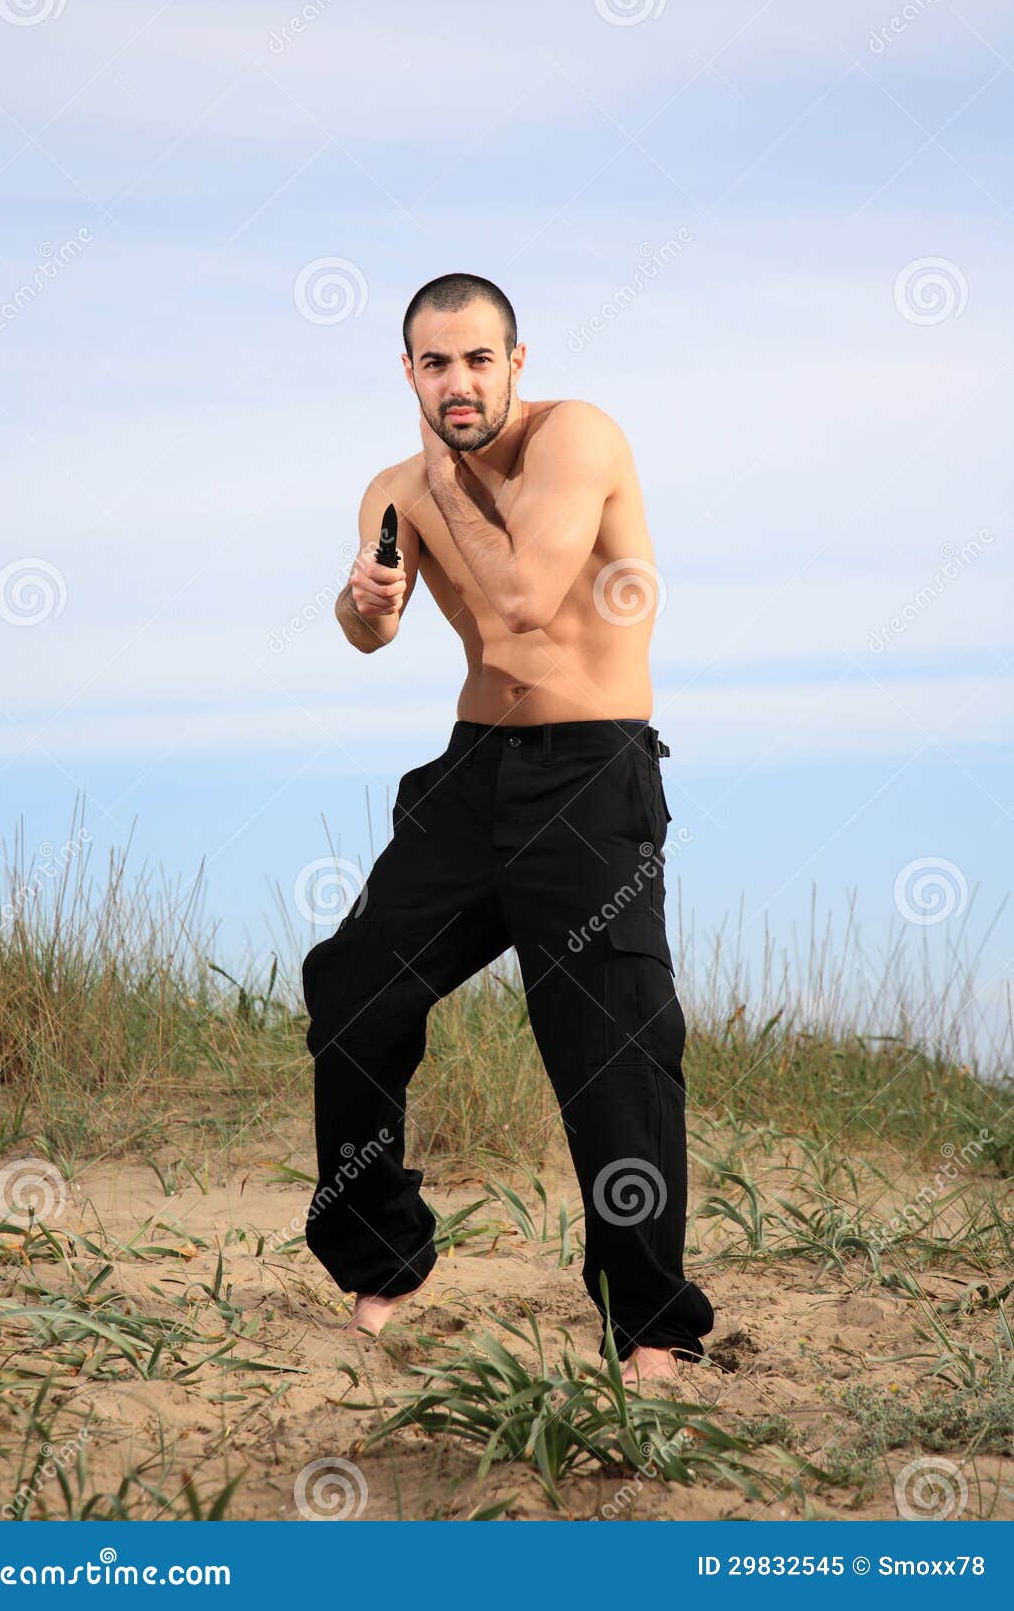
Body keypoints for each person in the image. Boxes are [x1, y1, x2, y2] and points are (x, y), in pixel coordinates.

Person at [301, 272, 714, 1384]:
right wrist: (364, 602)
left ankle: (651, 1326)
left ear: (514, 363)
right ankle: (378, 1253)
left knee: (611, 1044)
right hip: (472, 773)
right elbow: (366, 633)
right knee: (350, 989)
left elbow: (528, 594)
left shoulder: (573, 438)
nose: (459, 382)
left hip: (588, 774)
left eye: (479, 359)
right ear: (408, 374)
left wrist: (441, 481)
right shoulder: (394, 486)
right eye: (435, 363)